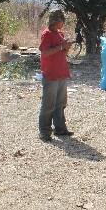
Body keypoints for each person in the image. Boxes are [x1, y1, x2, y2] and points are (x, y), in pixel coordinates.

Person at [38, 9, 74, 141]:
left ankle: (60, 128)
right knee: (48, 104)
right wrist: (61, 47)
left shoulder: (60, 33)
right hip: (51, 74)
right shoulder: (46, 34)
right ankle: (44, 131)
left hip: (61, 73)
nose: (63, 22)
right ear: (56, 21)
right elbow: (45, 53)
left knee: (60, 103)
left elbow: (62, 53)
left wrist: (66, 47)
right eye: (61, 20)